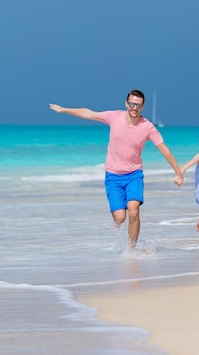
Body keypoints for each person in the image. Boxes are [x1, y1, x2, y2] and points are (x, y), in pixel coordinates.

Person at [49, 89, 184, 249]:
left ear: (142, 107)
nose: (134, 108)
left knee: (133, 211)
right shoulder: (114, 116)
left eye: (138, 105)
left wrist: (178, 172)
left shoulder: (147, 127)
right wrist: (64, 109)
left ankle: (131, 250)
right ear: (126, 104)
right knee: (120, 218)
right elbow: (88, 113)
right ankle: (117, 220)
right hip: (113, 176)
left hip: (134, 175)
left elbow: (164, 149)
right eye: (132, 104)